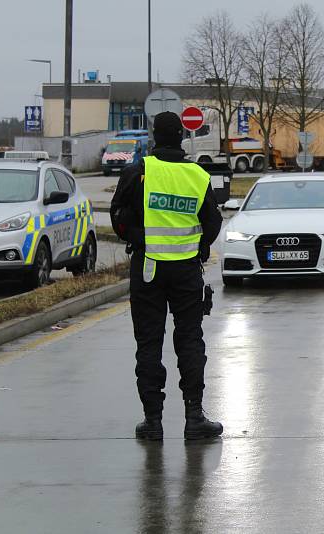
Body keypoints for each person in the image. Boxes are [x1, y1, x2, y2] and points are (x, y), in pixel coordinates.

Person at [111, 111, 224, 440]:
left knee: (149, 343)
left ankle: (153, 421)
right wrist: (199, 247)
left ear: (155, 137)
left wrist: (138, 236)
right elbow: (213, 222)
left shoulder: (139, 172)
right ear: (180, 136)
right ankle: (194, 417)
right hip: (187, 270)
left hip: (147, 270)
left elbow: (118, 215)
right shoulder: (197, 175)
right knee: (189, 340)